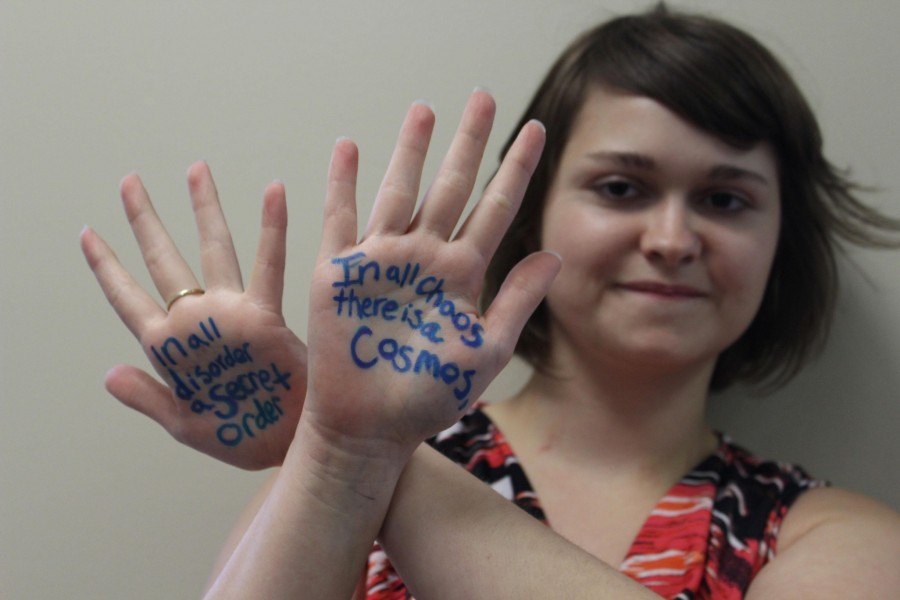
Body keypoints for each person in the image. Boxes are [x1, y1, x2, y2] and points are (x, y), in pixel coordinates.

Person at [81, 4, 900, 598]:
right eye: (622, 188)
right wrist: (338, 444)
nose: (672, 239)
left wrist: (337, 439)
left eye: (726, 200)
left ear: (781, 241)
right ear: (533, 210)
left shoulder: (834, 537)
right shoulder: (332, 461)